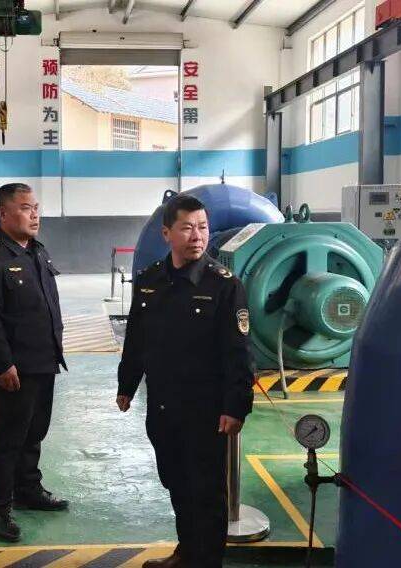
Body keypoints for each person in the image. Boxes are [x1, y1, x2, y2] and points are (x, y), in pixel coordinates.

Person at [117, 194, 254, 567]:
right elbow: (137, 338)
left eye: (203, 227)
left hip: (206, 411)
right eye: (187, 228)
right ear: (167, 233)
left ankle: (206, 561)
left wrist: (235, 406)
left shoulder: (225, 285)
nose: (197, 236)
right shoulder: (150, 281)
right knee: (175, 481)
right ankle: (187, 552)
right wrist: (127, 385)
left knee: (206, 492)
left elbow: (239, 352)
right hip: (163, 405)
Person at [0, 183, 68, 542]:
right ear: (3, 214)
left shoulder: (37, 252)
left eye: (36, 207)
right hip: (14, 368)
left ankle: (27, 489)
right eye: (25, 208)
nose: (34, 215)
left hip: (44, 361)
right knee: (8, 438)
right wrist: (1, 364)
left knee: (34, 432)